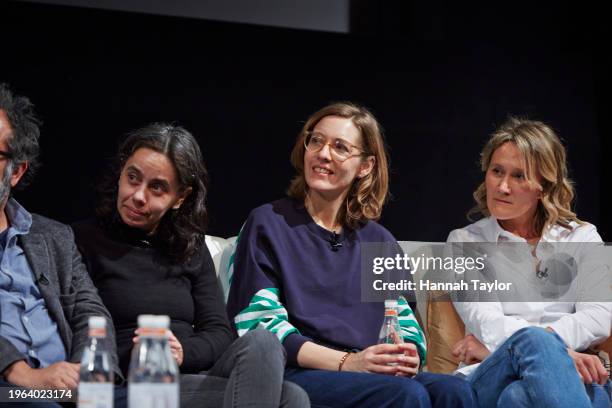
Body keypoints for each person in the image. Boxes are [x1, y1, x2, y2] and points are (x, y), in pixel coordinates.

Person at [226, 102, 476, 408]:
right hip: (300, 370)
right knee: (406, 396)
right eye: (316, 140)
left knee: (454, 391)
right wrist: (348, 362)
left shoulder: (379, 242)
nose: (323, 153)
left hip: (366, 369)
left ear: (365, 166)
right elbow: (258, 324)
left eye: (340, 147)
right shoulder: (268, 223)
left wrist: (406, 353)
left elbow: (405, 323)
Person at [71, 123, 309, 408]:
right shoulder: (80, 240)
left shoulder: (190, 247)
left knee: (263, 341)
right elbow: (80, 326)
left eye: (157, 187)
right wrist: (137, 354)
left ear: (180, 198)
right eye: (132, 178)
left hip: (190, 373)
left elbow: (219, 333)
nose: (138, 195)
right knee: (291, 398)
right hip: (130, 384)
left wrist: (183, 352)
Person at [448, 117, 612, 407]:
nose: (502, 186)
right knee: (533, 346)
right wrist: (552, 351)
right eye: (497, 171)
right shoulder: (465, 242)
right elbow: (485, 320)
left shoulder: (583, 236)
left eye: (519, 176)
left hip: (569, 376)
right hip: (490, 374)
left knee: (519, 398)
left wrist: (548, 353)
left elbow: (600, 314)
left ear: (543, 186)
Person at [0, 83, 126, 407]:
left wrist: (90, 373)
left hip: (64, 392)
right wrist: (24, 374)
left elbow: (91, 313)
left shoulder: (53, 237)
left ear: (16, 171)